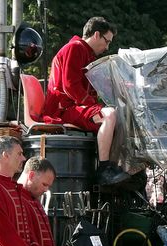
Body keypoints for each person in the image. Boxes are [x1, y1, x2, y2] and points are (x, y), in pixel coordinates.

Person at [43, 16, 129, 186]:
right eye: (107, 41)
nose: (107, 47)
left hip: (71, 107)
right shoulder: (75, 48)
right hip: (63, 110)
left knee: (114, 114)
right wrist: (94, 105)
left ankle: (112, 166)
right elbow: (70, 86)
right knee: (109, 115)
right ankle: (104, 170)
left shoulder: (83, 52)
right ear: (96, 34)